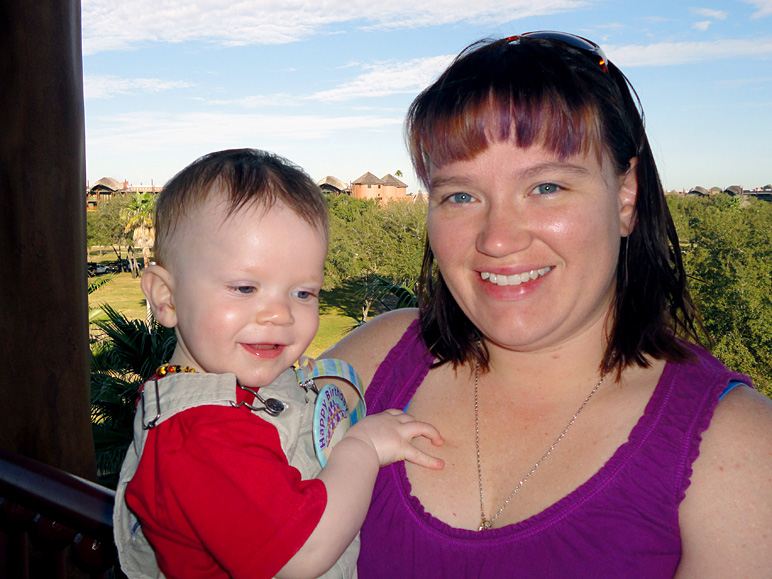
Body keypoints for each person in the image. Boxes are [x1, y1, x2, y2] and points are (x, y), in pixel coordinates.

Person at [323, 32, 772, 577]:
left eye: (547, 187)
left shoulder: (739, 450)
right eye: (460, 195)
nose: (497, 238)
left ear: (625, 196)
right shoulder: (365, 368)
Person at [112, 148, 444, 579]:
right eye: (246, 287)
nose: (280, 314)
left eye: (303, 293)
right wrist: (362, 448)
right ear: (165, 297)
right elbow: (301, 554)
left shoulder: (233, 390)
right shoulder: (202, 437)